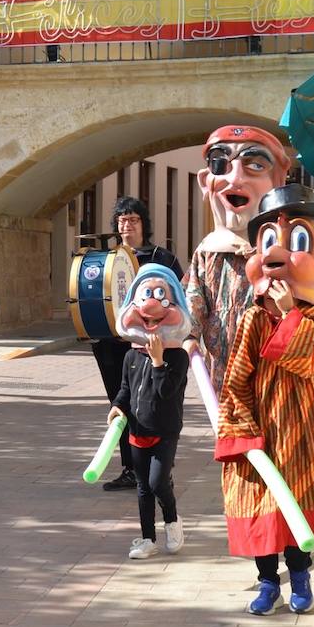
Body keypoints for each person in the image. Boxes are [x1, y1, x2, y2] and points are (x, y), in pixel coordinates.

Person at [216, 185, 314, 615]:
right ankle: (265, 583)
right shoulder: (252, 318)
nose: (276, 256)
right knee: (261, 511)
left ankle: (300, 577)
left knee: (297, 510)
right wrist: (239, 429)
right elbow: (236, 377)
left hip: (300, 435)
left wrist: (291, 315)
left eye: (296, 241)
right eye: (267, 243)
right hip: (257, 436)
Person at [183, 126, 293, 391]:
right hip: (223, 380)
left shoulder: (287, 252)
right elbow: (194, 304)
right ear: (204, 182)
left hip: (272, 381)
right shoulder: (208, 252)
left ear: (277, 186)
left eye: (254, 165)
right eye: (220, 164)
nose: (235, 179)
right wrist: (186, 336)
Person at [91, 196, 182, 492]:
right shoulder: (108, 260)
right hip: (112, 344)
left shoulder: (161, 258)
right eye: (121, 220)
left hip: (150, 347)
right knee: (120, 405)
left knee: (153, 405)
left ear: (144, 224)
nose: (126, 225)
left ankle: (158, 465)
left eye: (132, 219)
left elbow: (180, 296)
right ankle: (130, 468)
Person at [106, 264, 192, 559]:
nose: (151, 305)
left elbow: (166, 392)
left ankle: (172, 520)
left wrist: (158, 362)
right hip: (137, 431)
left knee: (157, 483)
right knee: (143, 487)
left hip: (165, 431)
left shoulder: (178, 357)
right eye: (145, 296)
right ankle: (146, 539)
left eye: (161, 296)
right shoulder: (131, 355)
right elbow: (126, 389)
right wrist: (118, 406)